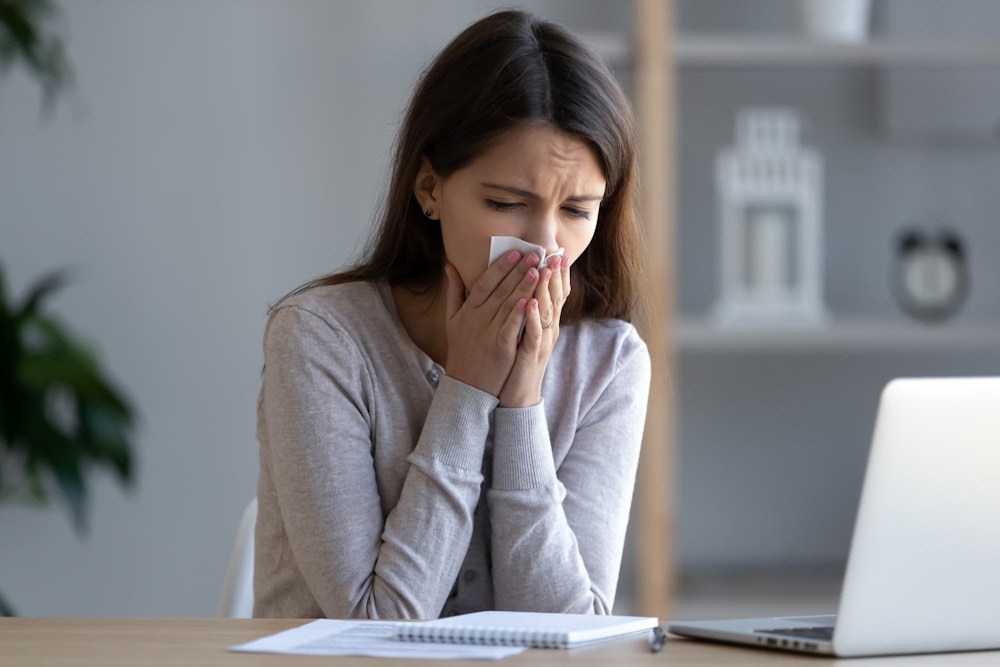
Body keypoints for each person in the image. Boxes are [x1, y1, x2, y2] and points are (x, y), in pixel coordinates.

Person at [253, 8, 651, 620]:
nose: (545, 247)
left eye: (577, 211)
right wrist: (466, 389)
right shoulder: (321, 340)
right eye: (505, 203)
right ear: (430, 189)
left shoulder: (609, 362)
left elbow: (567, 636)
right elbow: (378, 626)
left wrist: (521, 405)